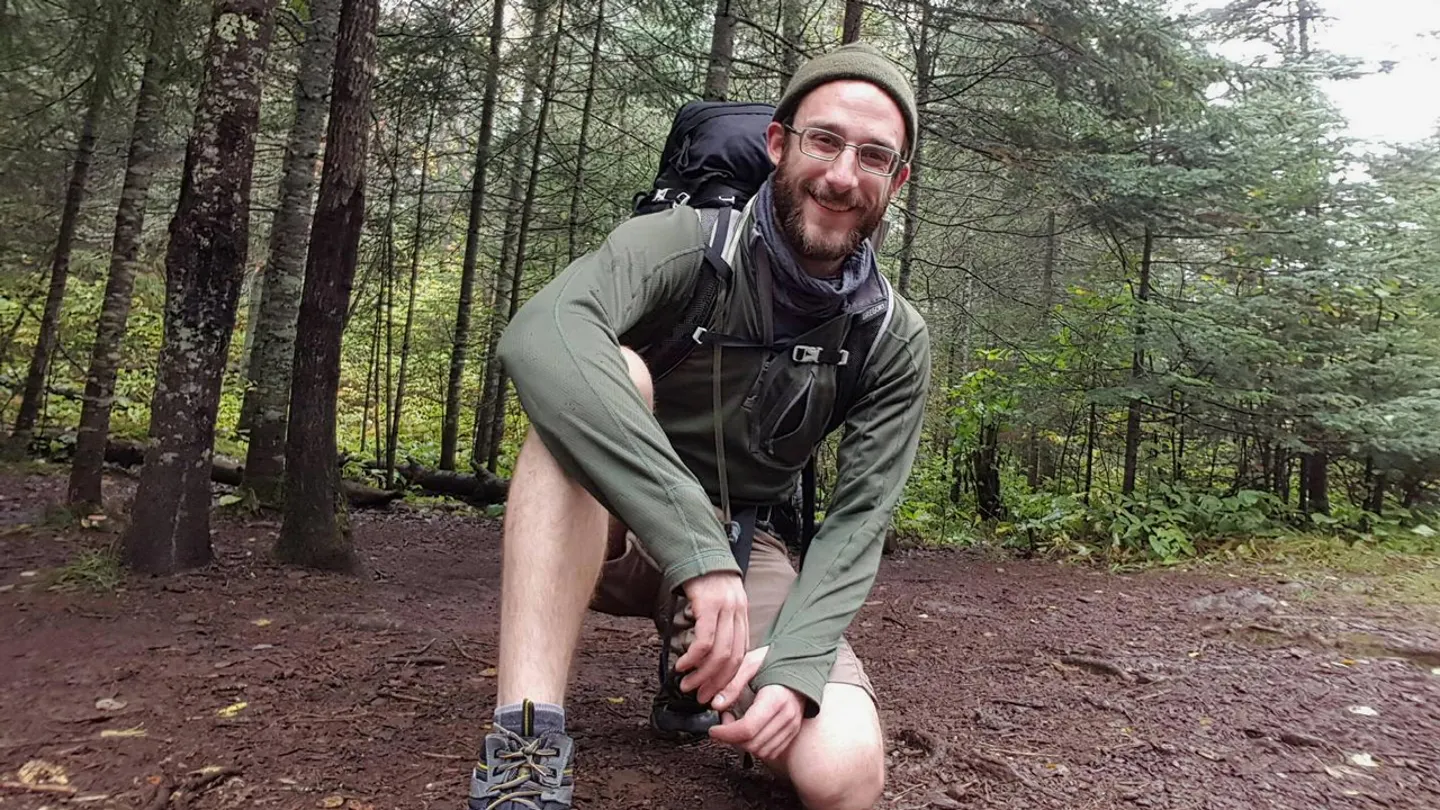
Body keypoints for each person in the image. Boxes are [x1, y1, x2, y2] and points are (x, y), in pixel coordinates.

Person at [469, 42, 932, 810]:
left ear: (897, 179)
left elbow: (859, 521)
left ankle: (706, 660)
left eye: (874, 156)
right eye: (824, 140)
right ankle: (526, 742)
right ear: (779, 144)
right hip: (609, 524)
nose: (843, 175)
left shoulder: (890, 333)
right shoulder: (686, 242)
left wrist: (800, 667)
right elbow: (539, 334)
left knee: (842, 773)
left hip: (748, 550)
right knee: (610, 374)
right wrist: (694, 547)